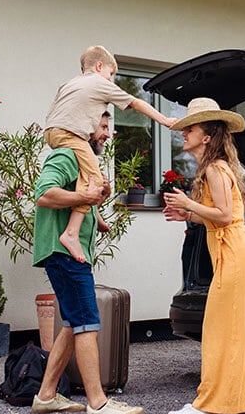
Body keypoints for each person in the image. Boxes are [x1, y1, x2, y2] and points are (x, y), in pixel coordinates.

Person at [162, 97, 245, 414]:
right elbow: (223, 216)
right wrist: (187, 216)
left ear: (206, 136)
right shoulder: (216, 167)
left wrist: (190, 206)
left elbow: (222, 216)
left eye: (189, 128)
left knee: (220, 329)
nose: (184, 133)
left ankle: (210, 404)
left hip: (234, 254)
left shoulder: (214, 169)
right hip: (239, 253)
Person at [31, 112, 144, 414]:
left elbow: (79, 200)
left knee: (71, 324)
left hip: (66, 253)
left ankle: (46, 396)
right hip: (64, 253)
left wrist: (96, 206)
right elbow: (44, 194)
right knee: (86, 322)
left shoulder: (81, 162)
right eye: (104, 127)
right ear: (84, 127)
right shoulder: (67, 155)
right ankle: (98, 403)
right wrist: (84, 196)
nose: (108, 134)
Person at [44, 45, 177, 263]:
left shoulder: (69, 83)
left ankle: (92, 213)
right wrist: (165, 120)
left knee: (86, 174)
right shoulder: (99, 82)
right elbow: (136, 102)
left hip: (52, 132)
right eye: (111, 73)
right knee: (95, 180)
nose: (112, 79)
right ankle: (71, 233)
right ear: (98, 67)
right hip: (71, 134)